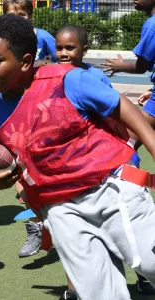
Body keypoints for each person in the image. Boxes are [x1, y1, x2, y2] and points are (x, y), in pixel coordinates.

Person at [0, 14, 155, 300]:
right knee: (98, 295)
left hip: (110, 187)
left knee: (151, 263)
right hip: (60, 209)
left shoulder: (68, 80)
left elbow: (123, 107)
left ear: (24, 61)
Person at [102, 0, 155, 294]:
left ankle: (125, 187)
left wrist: (118, 65)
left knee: (122, 142)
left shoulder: (152, 23)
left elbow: (143, 64)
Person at [3, 0, 56, 259]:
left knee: (48, 164)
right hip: (14, 112)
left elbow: (60, 66)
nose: (16, 19)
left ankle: (56, 218)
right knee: (17, 164)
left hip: (43, 111)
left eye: (21, 14)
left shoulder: (42, 37)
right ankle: (35, 225)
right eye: (11, 14)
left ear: (31, 15)